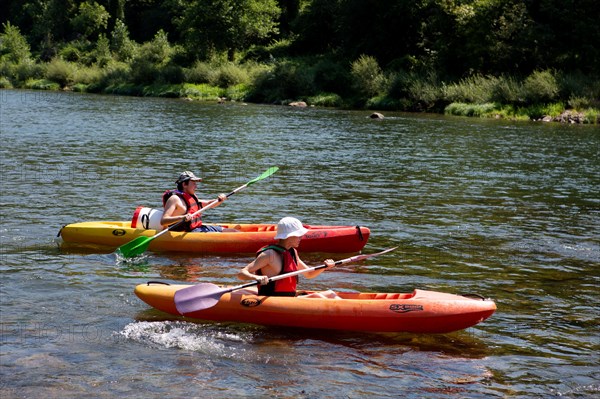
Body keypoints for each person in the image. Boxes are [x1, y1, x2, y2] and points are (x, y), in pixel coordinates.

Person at [238, 217, 335, 296]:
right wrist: (256, 277)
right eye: (299, 235)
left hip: (288, 297)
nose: (301, 237)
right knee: (318, 296)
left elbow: (309, 274)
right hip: (272, 299)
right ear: (289, 236)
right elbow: (241, 274)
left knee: (330, 293)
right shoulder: (269, 254)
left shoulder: (292, 252)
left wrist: (324, 266)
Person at [160, 170, 237, 232]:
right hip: (187, 232)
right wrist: (182, 217)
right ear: (184, 184)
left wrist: (220, 200)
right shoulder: (174, 199)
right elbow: (163, 221)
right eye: (193, 183)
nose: (196, 186)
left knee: (233, 231)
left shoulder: (192, 197)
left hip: (198, 228)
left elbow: (209, 204)